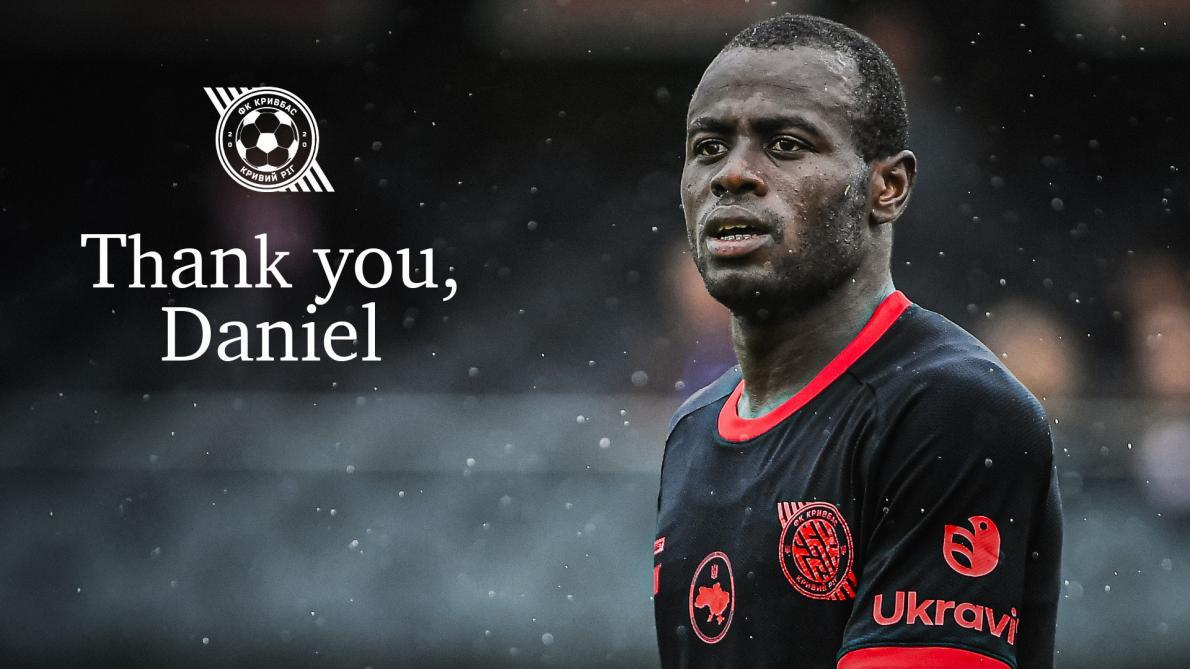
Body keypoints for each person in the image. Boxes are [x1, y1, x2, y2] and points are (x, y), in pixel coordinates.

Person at [653, 14, 1062, 669]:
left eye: (785, 145)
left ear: (887, 187)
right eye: (708, 147)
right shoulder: (694, 430)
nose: (732, 174)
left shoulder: (948, 409)